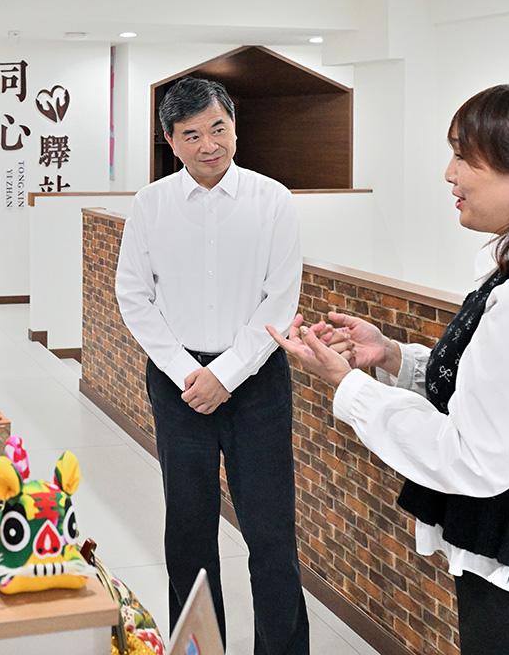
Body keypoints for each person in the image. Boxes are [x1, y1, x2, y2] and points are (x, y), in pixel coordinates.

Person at [269, 82, 509, 655]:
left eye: (463, 156)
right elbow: (500, 394)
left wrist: (349, 386)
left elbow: (475, 458)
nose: (448, 174)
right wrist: (391, 356)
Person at [115, 77, 309, 654]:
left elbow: (281, 299)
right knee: (188, 532)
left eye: (218, 128)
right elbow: (133, 295)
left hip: (257, 381)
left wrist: (225, 375)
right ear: (170, 141)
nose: (209, 145)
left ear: (234, 127)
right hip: (179, 385)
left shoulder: (273, 200)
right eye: (192, 134)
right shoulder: (150, 204)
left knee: (271, 534)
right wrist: (186, 372)